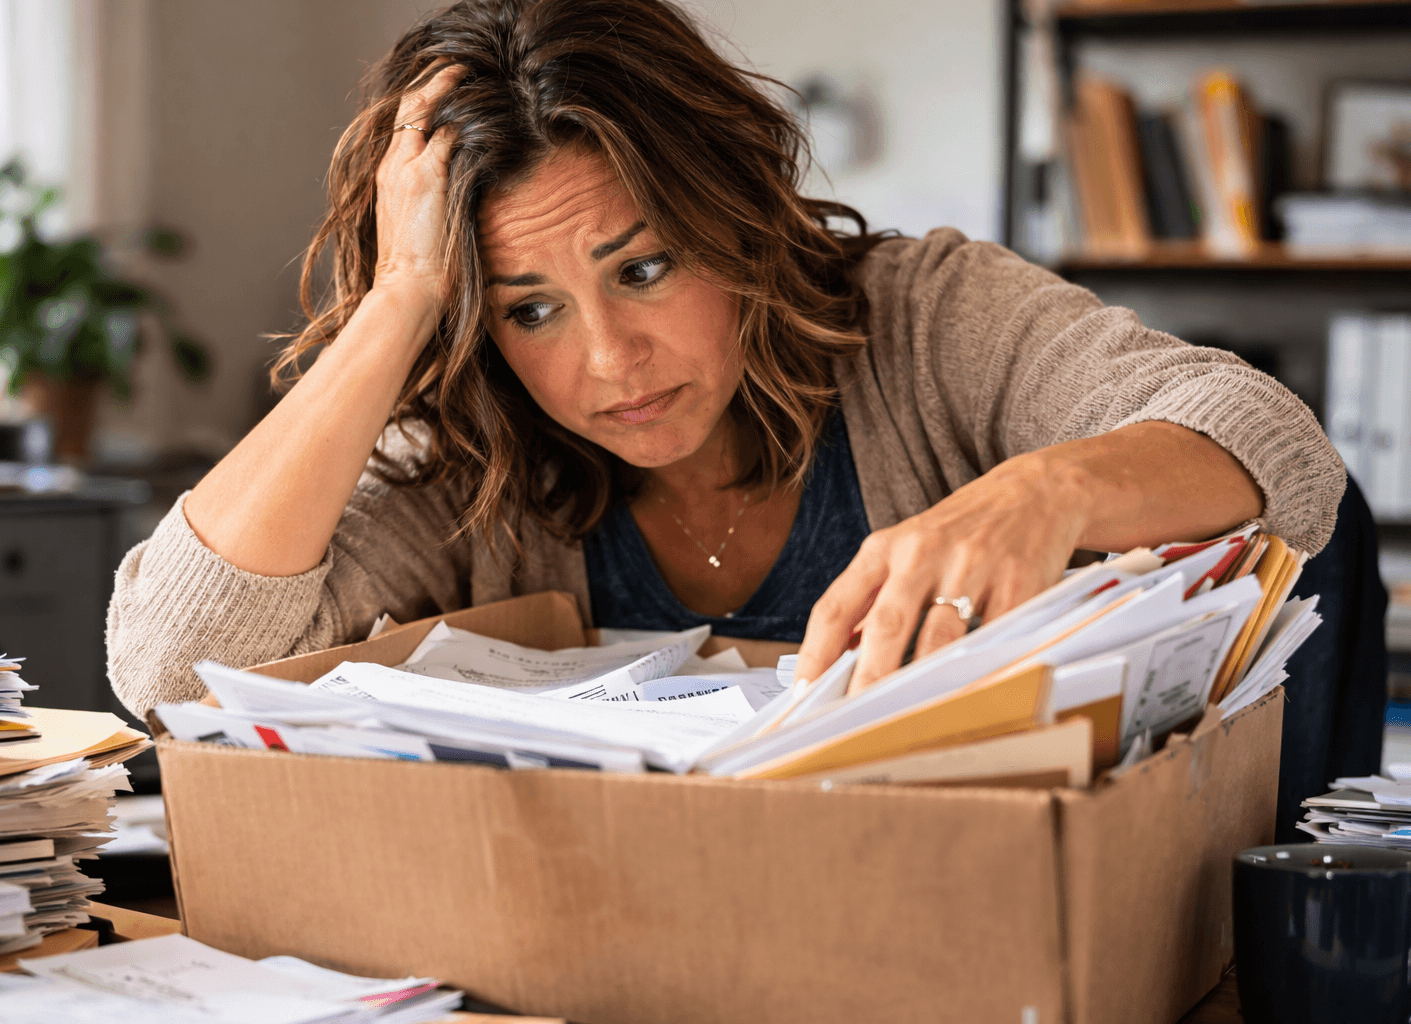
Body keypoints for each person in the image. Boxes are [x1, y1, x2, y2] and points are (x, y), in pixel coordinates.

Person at [107, 0, 1344, 719]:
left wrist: (1047, 488)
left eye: (643, 270)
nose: (608, 361)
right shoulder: (472, 444)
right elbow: (166, 669)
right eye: (531, 309)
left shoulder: (926, 315)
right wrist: (404, 297)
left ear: (737, 218)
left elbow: (1281, 448)